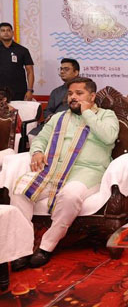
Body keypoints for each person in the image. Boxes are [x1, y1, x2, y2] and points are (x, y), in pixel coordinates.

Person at [9, 77, 119, 269]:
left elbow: (109, 137)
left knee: (70, 195)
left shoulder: (105, 115)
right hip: (54, 169)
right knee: (19, 191)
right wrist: (37, 152)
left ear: (92, 96)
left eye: (79, 93)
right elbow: (41, 137)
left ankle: (46, 246)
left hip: (87, 171)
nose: (73, 98)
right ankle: (22, 248)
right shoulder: (60, 117)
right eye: (70, 94)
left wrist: (87, 114)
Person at [30, 58, 80, 136]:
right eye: (61, 69)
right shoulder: (56, 91)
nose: (62, 72)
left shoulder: (83, 90)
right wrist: (51, 117)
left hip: (74, 124)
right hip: (54, 123)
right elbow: (48, 110)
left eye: (66, 69)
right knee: (32, 134)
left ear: (76, 72)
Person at [0, 22, 34, 101]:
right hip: (0, 91)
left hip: (18, 91)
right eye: (3, 30)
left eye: (8, 30)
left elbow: (30, 71)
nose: (6, 33)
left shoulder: (22, 50)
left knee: (19, 113)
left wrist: (30, 90)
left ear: (12, 33)